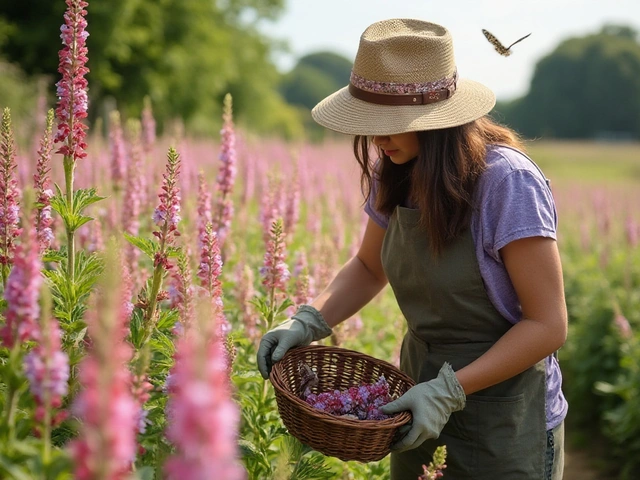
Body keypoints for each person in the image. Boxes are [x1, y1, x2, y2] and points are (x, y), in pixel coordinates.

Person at [257, 18, 568, 480]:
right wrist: (308, 320)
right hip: (414, 404)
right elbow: (367, 266)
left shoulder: (506, 182)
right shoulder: (397, 171)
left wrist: (446, 391)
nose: (377, 139)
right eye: (369, 123)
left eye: (390, 124)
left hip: (504, 417)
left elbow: (547, 325)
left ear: (438, 121)